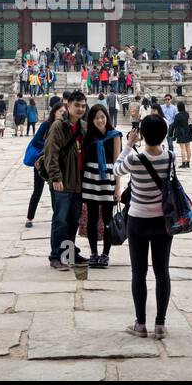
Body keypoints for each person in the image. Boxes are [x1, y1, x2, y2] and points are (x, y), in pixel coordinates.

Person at [113, 115, 175, 337]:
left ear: (142, 134)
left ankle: (140, 324)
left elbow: (116, 170)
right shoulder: (170, 157)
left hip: (138, 220)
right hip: (162, 221)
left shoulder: (135, 160)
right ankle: (160, 324)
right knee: (162, 272)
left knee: (138, 273)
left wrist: (129, 144)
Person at [39, 90, 89, 271]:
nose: (80, 109)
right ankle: (55, 256)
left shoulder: (83, 126)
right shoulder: (58, 126)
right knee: (60, 219)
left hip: (78, 181)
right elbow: (50, 154)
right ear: (68, 105)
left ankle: (69, 254)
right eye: (77, 105)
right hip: (62, 181)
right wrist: (55, 177)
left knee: (73, 219)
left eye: (83, 106)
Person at [81, 104, 122, 268]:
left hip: (108, 180)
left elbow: (118, 162)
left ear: (107, 117)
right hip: (91, 179)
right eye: (96, 117)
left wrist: (118, 188)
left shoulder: (115, 135)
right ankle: (93, 253)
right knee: (91, 220)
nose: (99, 120)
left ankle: (105, 253)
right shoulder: (88, 136)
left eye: (102, 117)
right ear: (91, 119)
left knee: (107, 219)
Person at [26, 99, 64, 227]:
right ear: (54, 112)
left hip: (55, 163)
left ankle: (57, 218)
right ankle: (29, 218)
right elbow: (35, 141)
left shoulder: (64, 126)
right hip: (41, 162)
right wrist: (49, 146)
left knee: (55, 191)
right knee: (37, 191)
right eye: (60, 111)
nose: (63, 114)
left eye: (65, 112)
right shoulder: (46, 125)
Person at [171, 100, 192, 168]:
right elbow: (189, 122)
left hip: (180, 132)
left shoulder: (177, 115)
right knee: (188, 147)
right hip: (187, 131)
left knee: (182, 148)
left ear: (178, 108)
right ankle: (188, 162)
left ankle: (183, 163)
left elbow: (174, 125)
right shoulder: (187, 114)